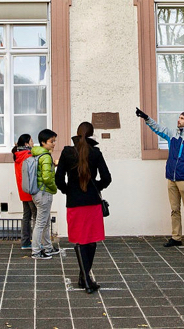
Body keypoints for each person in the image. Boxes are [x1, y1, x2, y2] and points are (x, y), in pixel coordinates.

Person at [56, 122, 112, 294]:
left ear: (77, 133)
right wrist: (96, 187)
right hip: (92, 201)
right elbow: (107, 178)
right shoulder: (95, 152)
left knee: (81, 240)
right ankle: (86, 278)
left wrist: (68, 190)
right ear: (92, 134)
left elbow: (58, 179)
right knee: (91, 240)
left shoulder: (67, 152)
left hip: (74, 202)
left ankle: (84, 278)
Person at [136, 107, 184, 250]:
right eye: (179, 117)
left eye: (182, 118)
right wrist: (146, 118)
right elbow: (158, 128)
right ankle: (176, 237)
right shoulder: (172, 135)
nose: (179, 120)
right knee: (174, 209)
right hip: (171, 177)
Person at [31, 129, 59, 260]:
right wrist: (54, 187)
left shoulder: (37, 154)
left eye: (54, 141)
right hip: (44, 193)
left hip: (38, 192)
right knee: (41, 223)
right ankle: (36, 251)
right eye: (51, 141)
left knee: (45, 222)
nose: (54, 144)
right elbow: (47, 178)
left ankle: (48, 248)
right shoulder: (46, 156)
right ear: (43, 142)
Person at [12, 134, 36, 250]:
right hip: (31, 189)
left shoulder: (17, 155)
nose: (33, 142)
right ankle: (37, 242)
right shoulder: (28, 155)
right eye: (31, 140)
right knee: (37, 217)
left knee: (26, 216)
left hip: (22, 190)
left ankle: (25, 242)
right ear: (26, 143)